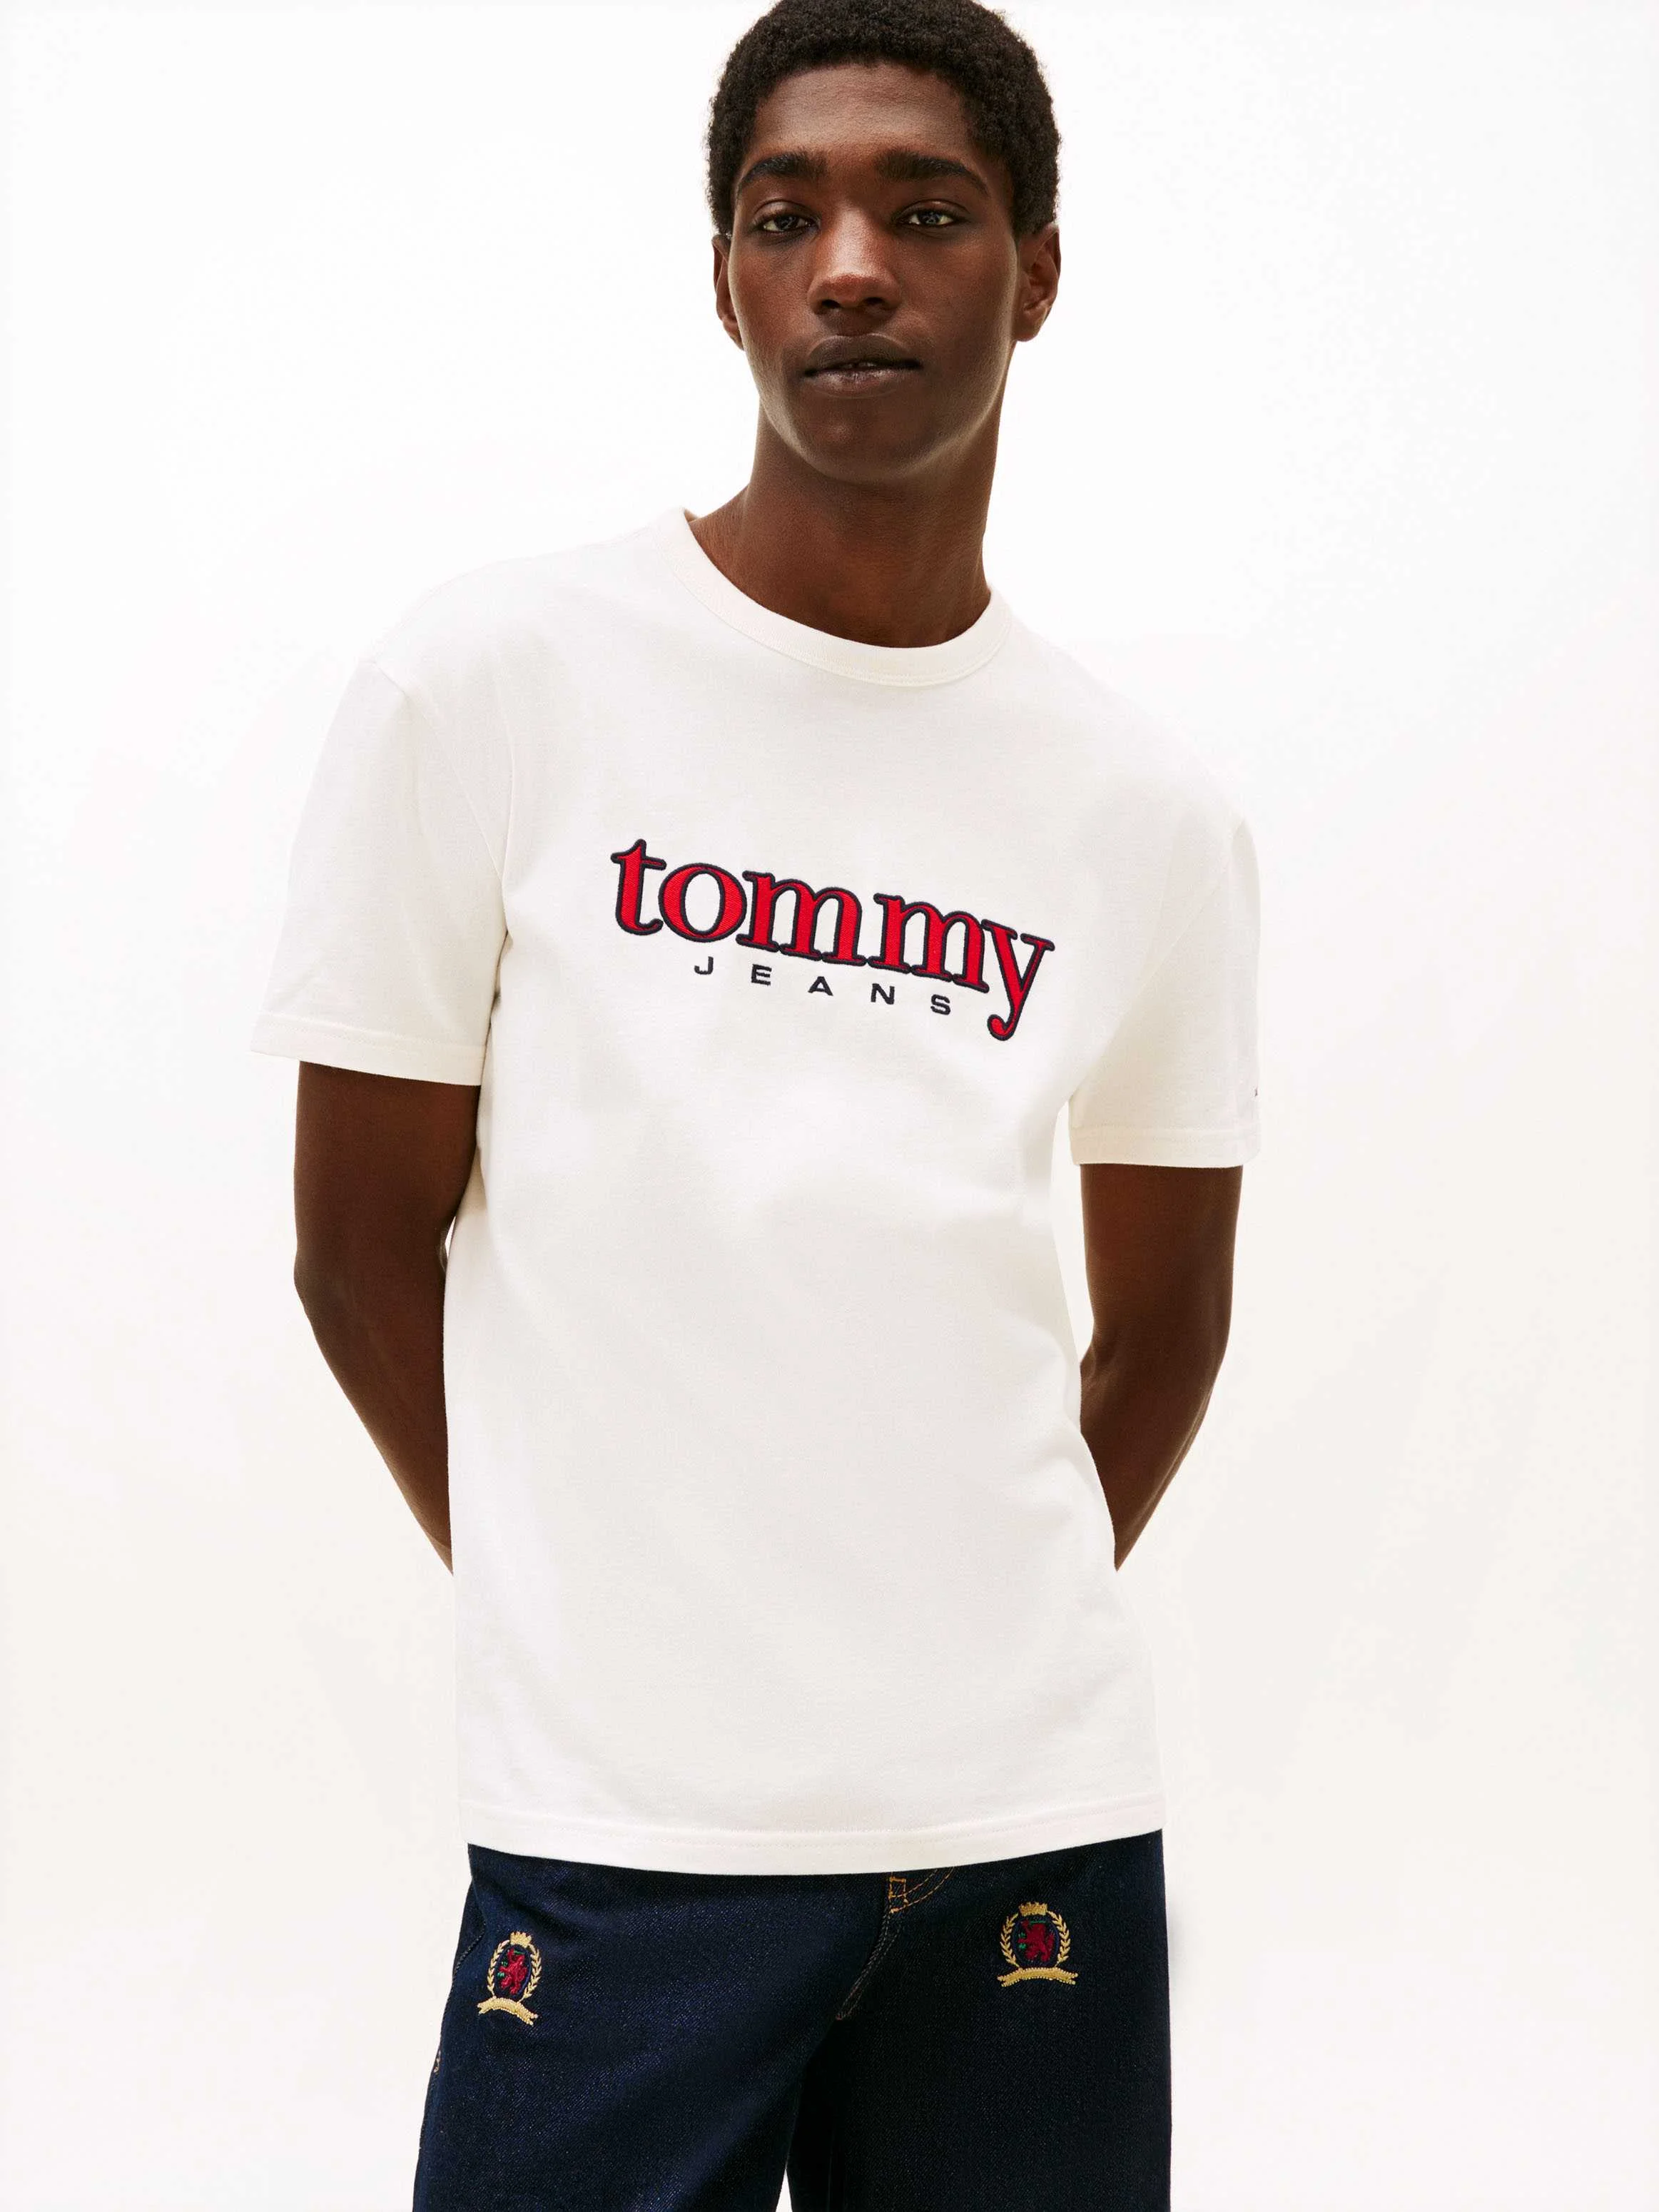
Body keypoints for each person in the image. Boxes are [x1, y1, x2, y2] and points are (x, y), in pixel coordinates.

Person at [252, 1, 1260, 2203]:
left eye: (928, 212)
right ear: (726, 281)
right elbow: (352, 1247)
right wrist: (591, 1608)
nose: (851, 267)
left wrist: (951, 1631)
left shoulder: (1143, 812)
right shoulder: (494, 683)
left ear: (1035, 272)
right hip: (628, 1839)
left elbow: (1168, 1320)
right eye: (785, 216)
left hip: (1029, 1835)